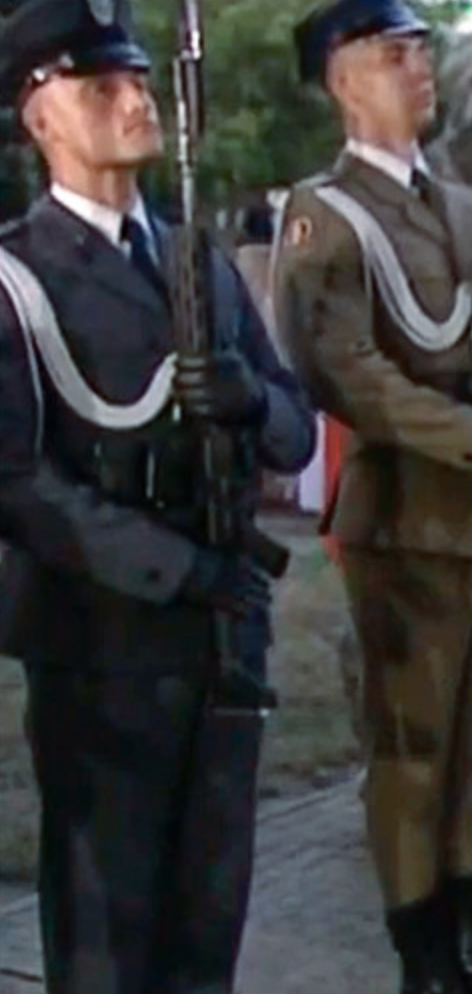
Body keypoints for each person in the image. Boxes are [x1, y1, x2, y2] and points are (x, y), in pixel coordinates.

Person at [0, 1, 317, 991]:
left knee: (205, 924)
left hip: (223, 641)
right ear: (40, 116)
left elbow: (297, 426)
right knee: (105, 936)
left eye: (138, 81)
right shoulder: (18, 278)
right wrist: (178, 570)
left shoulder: (197, 257)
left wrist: (249, 399)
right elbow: (15, 482)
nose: (136, 100)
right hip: (104, 648)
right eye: (102, 88)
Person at [273, 2, 472, 991]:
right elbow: (345, 372)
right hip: (406, 518)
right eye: (393, 54)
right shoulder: (324, 215)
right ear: (343, 79)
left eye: (422, 51)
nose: (418, 68)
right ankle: (424, 961)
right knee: (415, 753)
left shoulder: (471, 206)